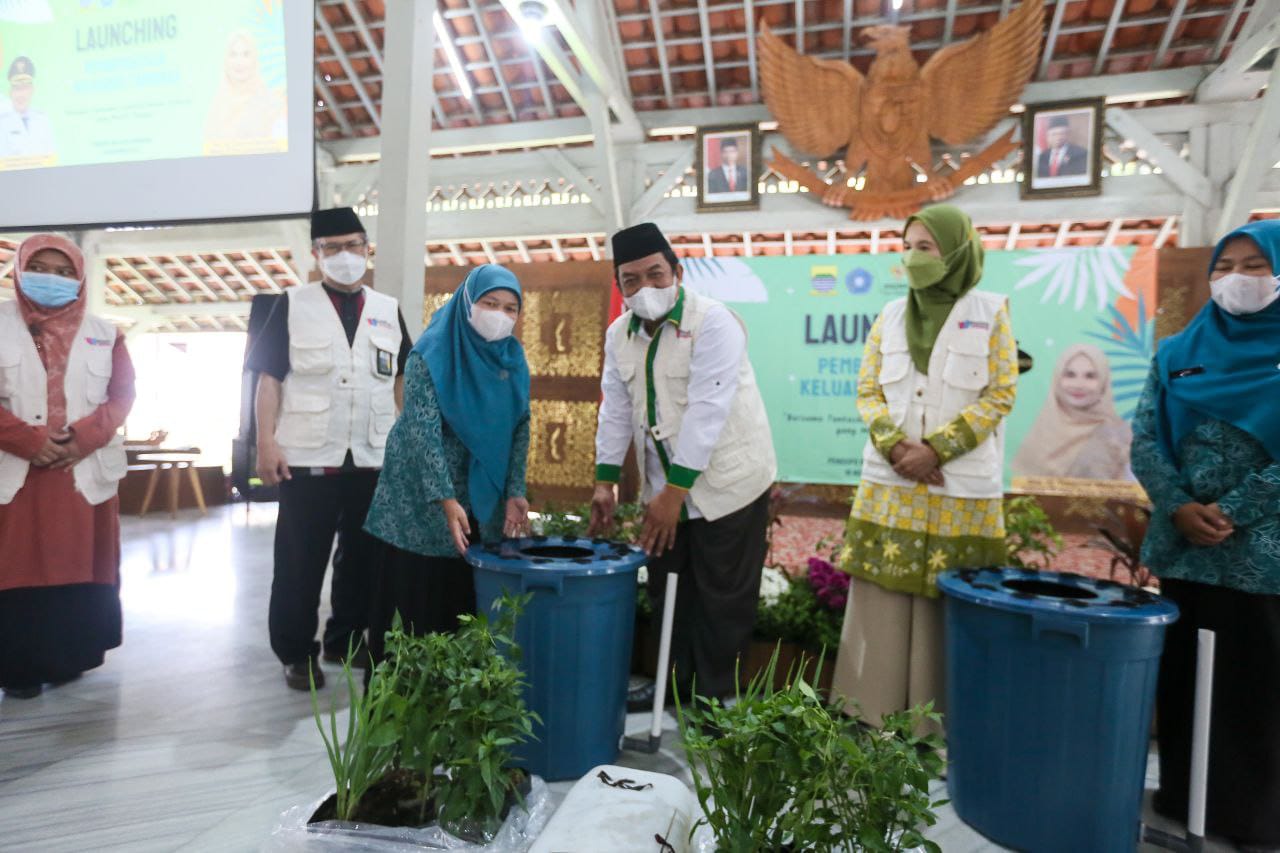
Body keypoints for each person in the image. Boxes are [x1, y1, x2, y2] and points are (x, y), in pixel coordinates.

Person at [831, 204, 1017, 731]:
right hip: (891, 480)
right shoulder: (887, 317)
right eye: (907, 246)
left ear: (956, 251)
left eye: (926, 247)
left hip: (959, 485)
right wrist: (896, 449)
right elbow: (868, 391)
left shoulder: (992, 311)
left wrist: (937, 449)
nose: (912, 258)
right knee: (881, 601)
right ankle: (869, 716)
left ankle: (938, 728)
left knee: (948, 603)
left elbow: (1001, 391)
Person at [1130, 219, 1280, 851]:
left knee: (1259, 684)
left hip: (1263, 559)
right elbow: (1143, 438)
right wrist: (1178, 507)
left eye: (1253, 265)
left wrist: (1235, 510)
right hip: (1185, 550)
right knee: (1185, 680)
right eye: (1224, 266)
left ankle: (1255, 820)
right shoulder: (1176, 353)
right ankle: (1182, 801)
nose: (1236, 279)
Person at [589, 222, 777, 701]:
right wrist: (605, 482)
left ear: (676, 270)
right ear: (620, 286)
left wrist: (675, 493)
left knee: (721, 598)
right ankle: (671, 690)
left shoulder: (714, 322)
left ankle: (715, 703)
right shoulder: (619, 335)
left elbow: (707, 411)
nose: (645, 287)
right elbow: (614, 406)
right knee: (667, 589)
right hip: (664, 488)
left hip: (728, 485)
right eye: (631, 280)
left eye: (655, 274)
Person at [248, 207, 411, 691]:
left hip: (372, 456)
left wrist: (404, 447)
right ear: (317, 255)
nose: (345, 256)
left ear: (367, 249)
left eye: (353, 246)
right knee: (301, 561)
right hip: (305, 456)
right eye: (333, 248)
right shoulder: (291, 304)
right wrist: (266, 443)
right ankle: (297, 652)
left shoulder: (386, 307)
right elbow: (268, 379)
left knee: (363, 559)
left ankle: (346, 637)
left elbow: (400, 380)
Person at [364, 265, 530, 659]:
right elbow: (422, 431)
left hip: (476, 496)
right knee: (413, 603)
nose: (500, 315)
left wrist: (515, 490)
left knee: (460, 601)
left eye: (510, 308)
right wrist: (444, 498)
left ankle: (449, 709)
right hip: (418, 497)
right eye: (490, 303)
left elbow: (520, 425)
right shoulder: (431, 353)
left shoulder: (511, 359)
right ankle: (395, 706)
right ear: (468, 301)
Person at [0, 235, 135, 699]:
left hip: (82, 474)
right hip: (15, 476)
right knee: (15, 570)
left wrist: (81, 439)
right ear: (18, 269)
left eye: (63, 271)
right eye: (40, 267)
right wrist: (31, 442)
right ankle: (17, 668)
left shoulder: (106, 332)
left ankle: (72, 658)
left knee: (81, 566)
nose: (52, 279)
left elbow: (121, 396)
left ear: (79, 277)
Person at [1012, 343, 1132, 482]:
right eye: (1070, 374)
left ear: (1104, 382)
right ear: (1057, 379)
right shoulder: (1041, 432)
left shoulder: (1121, 436)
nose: (1079, 384)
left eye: (1090, 376)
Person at [204, 30, 287, 145]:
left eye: (246, 54)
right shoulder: (216, 107)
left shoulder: (272, 104)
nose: (239, 62)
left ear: (254, 60)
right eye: (233, 54)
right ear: (226, 61)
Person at [0, 56, 55, 159]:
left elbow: (50, 158)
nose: (21, 95)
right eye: (17, 88)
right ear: (10, 92)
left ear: (32, 90)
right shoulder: (2, 123)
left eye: (25, 88)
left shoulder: (43, 120)